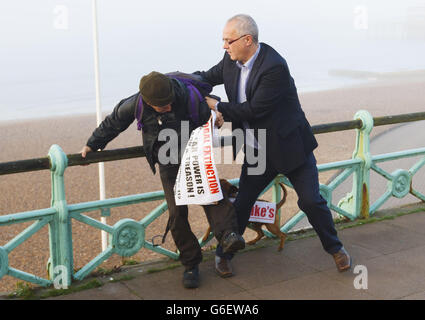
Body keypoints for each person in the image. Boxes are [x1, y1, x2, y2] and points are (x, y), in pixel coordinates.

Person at [195, 14, 352, 278]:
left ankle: (336, 249)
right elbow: (206, 77)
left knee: (311, 202)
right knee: (242, 203)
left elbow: (253, 109)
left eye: (228, 40)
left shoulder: (274, 67)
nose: (224, 46)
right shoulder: (230, 61)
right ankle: (224, 255)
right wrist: (178, 83)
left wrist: (216, 106)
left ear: (247, 40)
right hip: (258, 151)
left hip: (290, 148)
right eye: (223, 40)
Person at [80, 71, 245, 288]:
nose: (167, 107)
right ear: (147, 102)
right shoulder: (135, 104)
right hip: (167, 160)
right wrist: (92, 144)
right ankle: (190, 264)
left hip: (194, 153)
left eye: (169, 103)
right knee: (177, 213)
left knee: (211, 196)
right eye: (161, 106)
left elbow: (211, 115)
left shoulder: (187, 96)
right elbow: (114, 122)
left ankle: (228, 236)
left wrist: (217, 118)